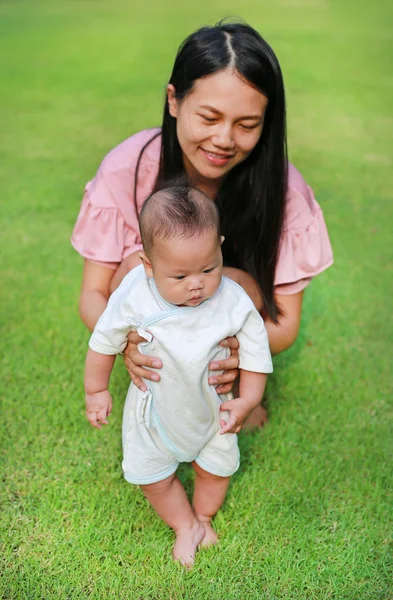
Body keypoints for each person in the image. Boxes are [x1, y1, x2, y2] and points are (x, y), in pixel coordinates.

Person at [72, 21, 333, 425]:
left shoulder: (285, 192)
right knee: (131, 269)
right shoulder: (128, 168)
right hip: (153, 332)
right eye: (209, 117)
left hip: (223, 339)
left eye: (247, 125)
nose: (225, 140)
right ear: (174, 101)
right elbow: (93, 293)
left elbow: (284, 322)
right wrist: (126, 343)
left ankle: (224, 392)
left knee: (239, 284)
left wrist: (235, 353)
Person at [85, 182, 273, 566]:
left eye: (208, 268)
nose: (197, 284)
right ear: (149, 266)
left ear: (220, 246)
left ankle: (203, 517)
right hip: (153, 411)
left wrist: (248, 398)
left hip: (212, 408)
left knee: (216, 471)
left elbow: (256, 350)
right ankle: (184, 523)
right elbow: (103, 340)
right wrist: (96, 391)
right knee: (153, 478)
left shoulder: (231, 299)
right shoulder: (135, 293)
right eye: (180, 276)